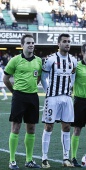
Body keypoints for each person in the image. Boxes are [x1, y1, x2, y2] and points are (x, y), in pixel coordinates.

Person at [3, 34, 42, 169]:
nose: (31, 45)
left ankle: (29, 160)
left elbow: (39, 78)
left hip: (33, 96)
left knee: (31, 128)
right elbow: (6, 78)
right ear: (22, 45)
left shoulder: (38, 61)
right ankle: (12, 160)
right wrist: (14, 92)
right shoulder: (15, 60)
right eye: (28, 43)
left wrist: (32, 87)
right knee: (16, 127)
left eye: (32, 42)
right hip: (19, 96)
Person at [41, 33, 77, 168]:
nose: (67, 44)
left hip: (67, 97)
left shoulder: (73, 60)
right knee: (49, 126)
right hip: (52, 98)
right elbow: (44, 77)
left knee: (66, 126)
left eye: (69, 41)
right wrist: (48, 92)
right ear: (59, 44)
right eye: (64, 41)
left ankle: (66, 158)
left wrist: (70, 88)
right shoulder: (50, 59)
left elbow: (73, 76)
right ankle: (44, 158)